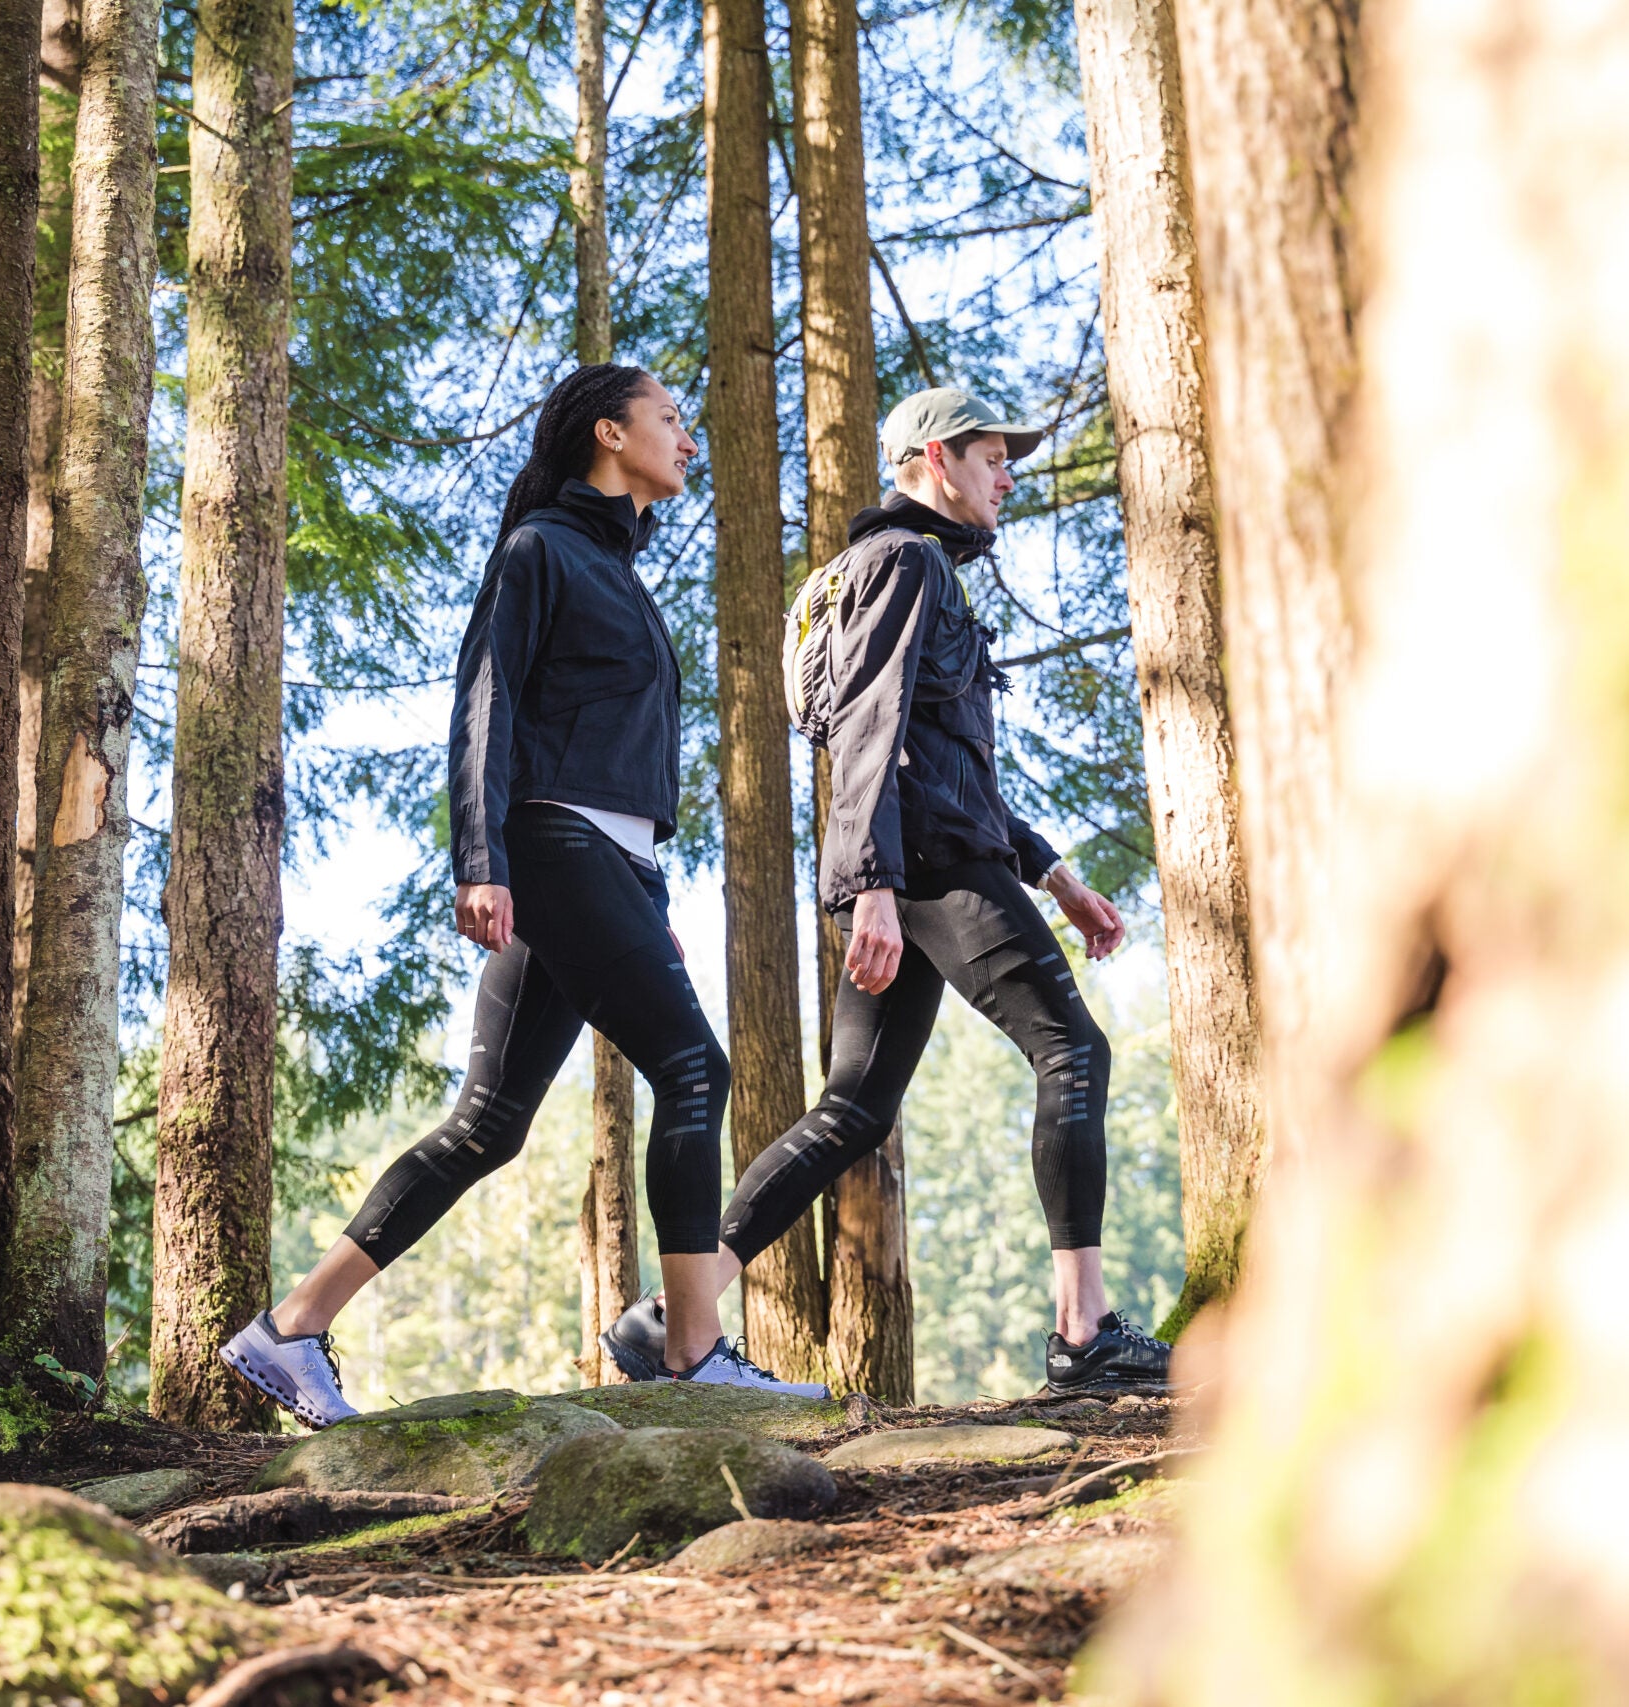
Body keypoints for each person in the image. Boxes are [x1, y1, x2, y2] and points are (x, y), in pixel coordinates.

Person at [222, 362, 826, 1428]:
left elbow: (610, 748)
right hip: (549, 846)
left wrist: (647, 896)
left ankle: (290, 1328)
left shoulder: (615, 569)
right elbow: (484, 709)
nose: (688, 441)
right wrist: (480, 860)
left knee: (489, 1123)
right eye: (671, 420)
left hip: (605, 859)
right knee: (692, 1068)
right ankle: (692, 1359)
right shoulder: (540, 550)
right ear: (609, 433)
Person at [602, 386, 1173, 1395]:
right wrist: (872, 884)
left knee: (852, 1110)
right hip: (927, 871)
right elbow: (869, 726)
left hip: (918, 860)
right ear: (935, 460)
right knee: (1072, 1050)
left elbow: (937, 754)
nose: (1008, 477)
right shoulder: (907, 564)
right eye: (994, 458)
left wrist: (1052, 871)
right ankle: (1083, 1337)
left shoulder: (891, 571)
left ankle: (667, 1320)